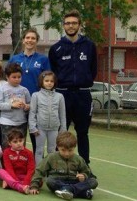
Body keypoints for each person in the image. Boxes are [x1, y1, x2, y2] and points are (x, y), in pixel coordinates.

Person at [48, 10, 97, 169]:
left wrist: (85, 80)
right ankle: (57, 166)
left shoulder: (89, 46)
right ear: (63, 26)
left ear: (79, 25)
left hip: (83, 94)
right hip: (62, 94)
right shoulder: (56, 48)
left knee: (83, 132)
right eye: (68, 23)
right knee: (61, 132)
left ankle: (84, 166)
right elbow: (53, 72)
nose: (71, 26)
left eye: (74, 23)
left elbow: (93, 69)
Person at [8, 27, 51, 153]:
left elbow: (48, 81)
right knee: (17, 138)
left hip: (36, 105)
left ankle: (38, 166)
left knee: (36, 137)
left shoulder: (43, 59)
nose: (30, 40)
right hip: (18, 105)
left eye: (33, 38)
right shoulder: (15, 58)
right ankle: (19, 165)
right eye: (27, 38)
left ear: (36, 41)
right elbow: (8, 81)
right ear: (23, 40)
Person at [29, 131, 98, 201]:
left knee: (93, 182)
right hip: (58, 182)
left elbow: (86, 172)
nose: (67, 154)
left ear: (74, 147)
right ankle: (82, 193)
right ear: (58, 147)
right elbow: (39, 171)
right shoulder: (51, 157)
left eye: (70, 150)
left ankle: (67, 190)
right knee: (49, 181)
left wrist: (83, 175)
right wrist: (34, 186)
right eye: (63, 150)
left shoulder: (78, 159)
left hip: (74, 181)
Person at [29, 70, 67, 165]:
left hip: (54, 128)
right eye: (46, 81)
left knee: (52, 150)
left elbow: (62, 114)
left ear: (54, 83)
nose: (49, 83)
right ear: (41, 81)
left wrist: (63, 129)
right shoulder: (35, 95)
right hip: (40, 129)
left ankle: (51, 169)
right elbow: (32, 112)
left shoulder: (59, 96)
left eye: (51, 81)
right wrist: (33, 127)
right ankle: (39, 170)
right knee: (39, 150)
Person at [0, 63, 31, 149]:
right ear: (7, 77)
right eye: (14, 77)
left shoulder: (24, 90)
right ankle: (6, 163)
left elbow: (29, 104)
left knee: (20, 146)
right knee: (7, 146)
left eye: (19, 77)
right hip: (7, 122)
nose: (17, 79)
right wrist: (11, 105)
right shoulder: (2, 89)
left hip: (22, 122)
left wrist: (27, 107)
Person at [0, 129, 34, 195]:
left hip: (24, 177)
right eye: (15, 142)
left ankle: (10, 184)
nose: (18, 143)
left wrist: (26, 182)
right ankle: (20, 187)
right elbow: (9, 168)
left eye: (20, 141)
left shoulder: (29, 153)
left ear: (24, 140)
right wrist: (17, 182)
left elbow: (31, 169)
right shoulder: (6, 152)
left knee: (39, 181)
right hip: (12, 176)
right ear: (9, 143)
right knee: (0, 171)